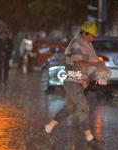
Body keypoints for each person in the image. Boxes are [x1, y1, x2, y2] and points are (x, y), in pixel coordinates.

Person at [43, 21, 104, 149]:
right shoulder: (76, 44)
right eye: (91, 35)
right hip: (72, 80)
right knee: (83, 107)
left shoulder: (85, 45)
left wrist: (88, 77)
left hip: (77, 80)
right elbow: (78, 63)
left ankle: (48, 128)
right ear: (84, 33)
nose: (92, 38)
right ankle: (89, 138)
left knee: (70, 108)